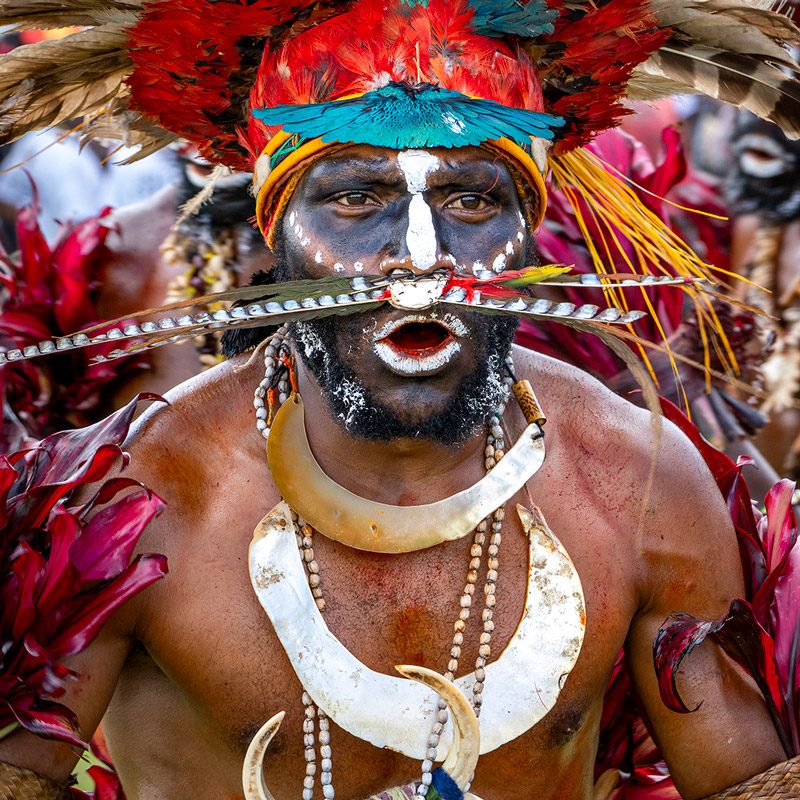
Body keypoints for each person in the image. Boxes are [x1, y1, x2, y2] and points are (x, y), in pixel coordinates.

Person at [1, 2, 799, 798]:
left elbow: (751, 785)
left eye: (472, 202)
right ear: (276, 236)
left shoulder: (641, 480)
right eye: (355, 199)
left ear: (529, 228)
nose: (420, 256)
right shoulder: (128, 500)